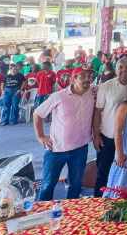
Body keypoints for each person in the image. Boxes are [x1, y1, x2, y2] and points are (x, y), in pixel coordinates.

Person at [33, 68, 95, 201]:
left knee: (76, 184)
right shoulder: (59, 96)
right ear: (73, 79)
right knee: (48, 184)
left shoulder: (92, 93)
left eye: (89, 76)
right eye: (83, 77)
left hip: (80, 148)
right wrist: (40, 136)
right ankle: (43, 213)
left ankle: (71, 213)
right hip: (56, 149)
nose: (87, 79)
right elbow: (38, 114)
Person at [93, 57, 127, 197]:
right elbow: (97, 111)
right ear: (116, 69)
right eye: (120, 67)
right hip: (108, 137)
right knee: (103, 172)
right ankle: (98, 203)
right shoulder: (106, 86)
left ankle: (122, 201)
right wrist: (96, 135)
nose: (124, 70)